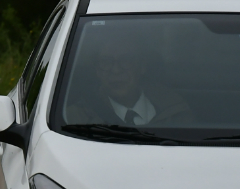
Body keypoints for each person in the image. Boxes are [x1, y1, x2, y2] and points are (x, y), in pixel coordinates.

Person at [65, 38, 194, 126]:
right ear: (97, 70)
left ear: (142, 66)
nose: (116, 70)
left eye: (125, 60)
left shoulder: (176, 111)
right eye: (106, 61)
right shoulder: (74, 118)